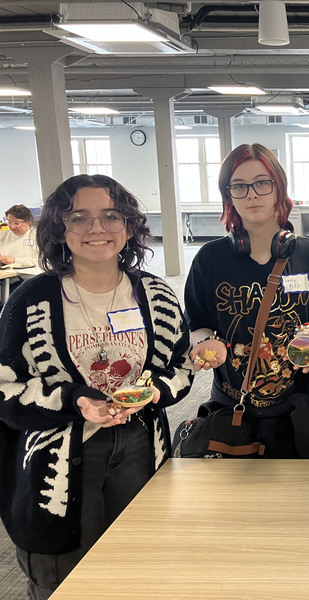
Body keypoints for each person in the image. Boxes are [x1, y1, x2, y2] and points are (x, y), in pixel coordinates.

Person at [0, 174, 194, 599]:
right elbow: (5, 389)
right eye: (79, 217)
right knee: (63, 578)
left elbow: (180, 368)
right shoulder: (32, 299)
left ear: (127, 226)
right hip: (59, 458)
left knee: (139, 563)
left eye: (111, 216)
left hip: (141, 446)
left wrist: (154, 391)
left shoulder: (155, 293)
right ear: (58, 228)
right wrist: (76, 399)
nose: (97, 229)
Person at [184, 143, 309, 458]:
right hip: (234, 407)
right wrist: (206, 343)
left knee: (307, 500)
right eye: (239, 186)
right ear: (228, 194)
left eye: (262, 182)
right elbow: (198, 325)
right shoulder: (209, 259)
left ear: (278, 188)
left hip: (308, 407)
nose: (252, 194)